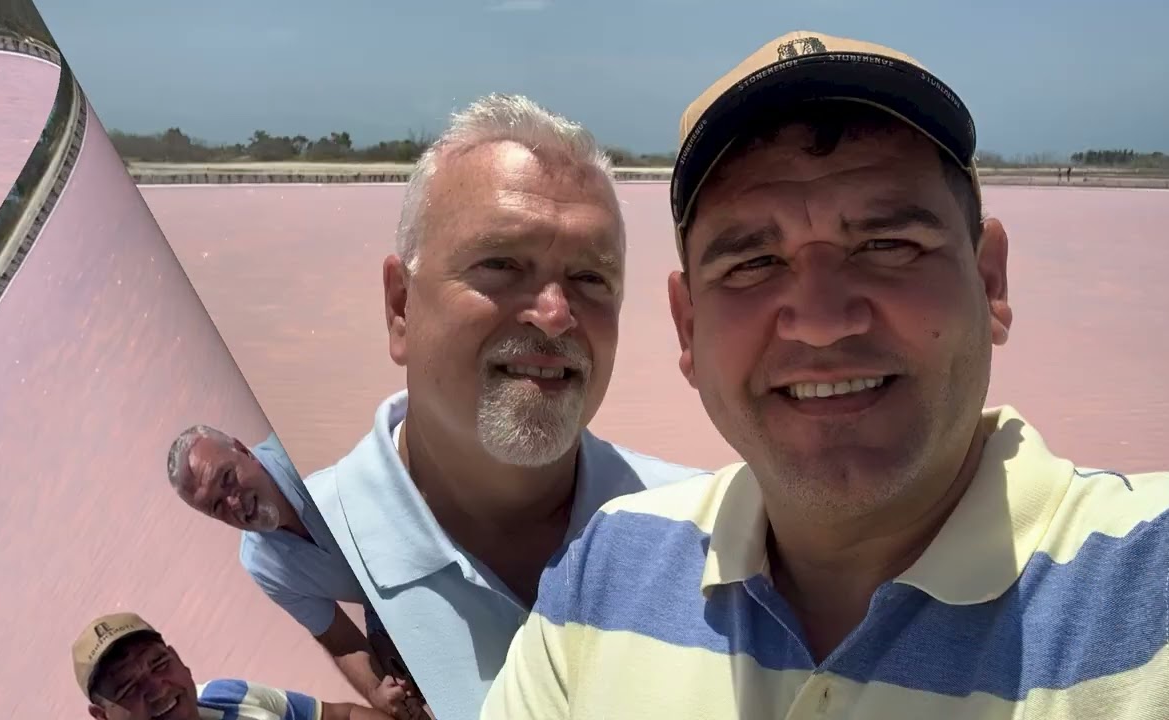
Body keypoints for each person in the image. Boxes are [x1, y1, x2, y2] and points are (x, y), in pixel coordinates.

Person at [482, 31, 1169, 719]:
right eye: (754, 263)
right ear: (688, 328)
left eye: (888, 246)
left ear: (991, 283)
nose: (820, 318)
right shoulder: (606, 576)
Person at [305, 92, 707, 720]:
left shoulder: (716, 537)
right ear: (400, 306)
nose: (554, 315)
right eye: (501, 265)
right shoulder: (296, 550)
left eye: (590, 279)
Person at [166, 427, 421, 719]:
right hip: (385, 600)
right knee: (400, 691)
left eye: (227, 478)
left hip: (429, 538)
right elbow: (337, 638)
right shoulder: (260, 563)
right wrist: (378, 693)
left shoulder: (307, 450)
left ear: (243, 450)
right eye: (216, 506)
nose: (234, 503)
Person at [73, 611, 392, 719]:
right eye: (129, 688)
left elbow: (342, 715)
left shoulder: (228, 696)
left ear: (180, 660)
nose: (157, 690)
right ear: (102, 716)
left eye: (159, 664)